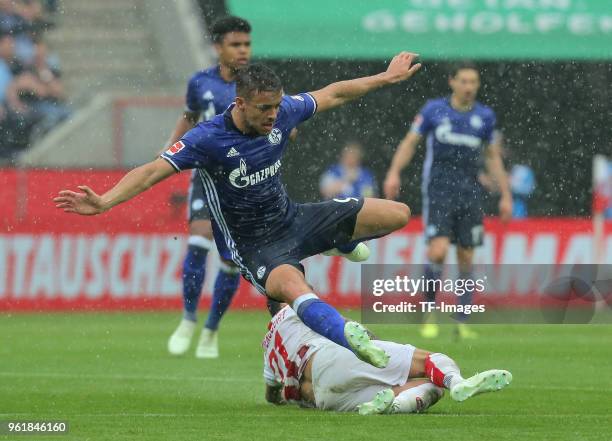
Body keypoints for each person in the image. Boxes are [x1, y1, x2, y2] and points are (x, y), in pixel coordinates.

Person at [53, 52, 422, 369]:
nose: (274, 116)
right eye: (265, 109)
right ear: (240, 103)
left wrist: (387, 77)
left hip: (294, 219)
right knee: (298, 293)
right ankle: (353, 337)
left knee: (398, 214)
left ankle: (333, 242)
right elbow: (152, 170)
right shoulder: (208, 138)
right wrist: (104, 201)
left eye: (277, 106)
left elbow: (334, 93)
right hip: (255, 248)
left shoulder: (282, 113)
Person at [384, 61, 512, 340]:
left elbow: (492, 156)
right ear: (452, 82)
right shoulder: (434, 110)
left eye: (473, 82)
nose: (469, 87)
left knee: (466, 255)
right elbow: (409, 143)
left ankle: (462, 320)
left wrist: (505, 194)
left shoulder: (485, 117)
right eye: (464, 81)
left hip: (470, 193)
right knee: (438, 252)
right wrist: (394, 172)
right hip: (439, 191)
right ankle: (429, 313)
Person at [164, 16, 252, 359]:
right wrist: (169, 154)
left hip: (244, 181)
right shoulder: (200, 83)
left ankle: (211, 330)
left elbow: (282, 121)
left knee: (230, 261)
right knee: (199, 239)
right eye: (235, 44)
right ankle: (187, 319)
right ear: (218, 47)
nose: (243, 51)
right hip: (206, 175)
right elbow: (189, 117)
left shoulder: (257, 84)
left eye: (246, 44)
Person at [263, 305, 512, 413]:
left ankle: (393, 402)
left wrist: (285, 398)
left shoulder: (268, 345)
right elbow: (344, 327)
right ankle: (456, 381)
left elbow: (271, 395)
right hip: (330, 358)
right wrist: (374, 343)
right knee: (431, 360)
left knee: (431, 388)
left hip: (321, 398)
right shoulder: (298, 307)